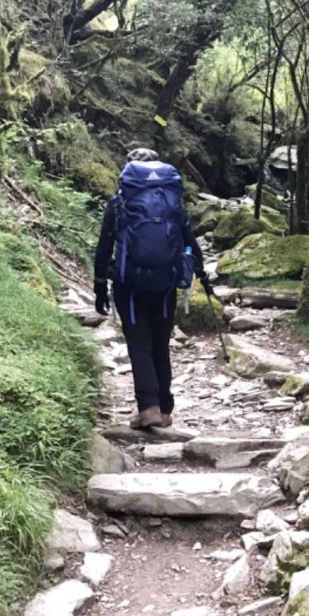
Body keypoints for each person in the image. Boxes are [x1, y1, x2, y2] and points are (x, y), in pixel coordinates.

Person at [93, 148, 213, 429]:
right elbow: (189, 244)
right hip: (165, 283)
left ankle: (148, 408)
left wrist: (100, 287)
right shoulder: (172, 205)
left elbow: (104, 248)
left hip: (130, 285)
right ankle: (166, 409)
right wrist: (201, 275)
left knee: (139, 343)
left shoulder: (119, 203)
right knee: (160, 344)